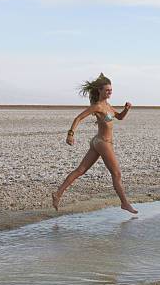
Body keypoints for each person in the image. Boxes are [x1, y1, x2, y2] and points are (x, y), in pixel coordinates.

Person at [52, 73, 137, 214]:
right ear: (100, 90)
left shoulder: (108, 106)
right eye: (107, 90)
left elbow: (120, 117)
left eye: (111, 90)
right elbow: (78, 118)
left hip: (97, 142)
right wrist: (70, 134)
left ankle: (58, 194)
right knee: (116, 174)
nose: (110, 92)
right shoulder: (98, 106)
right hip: (103, 143)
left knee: (81, 170)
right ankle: (124, 203)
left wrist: (126, 109)